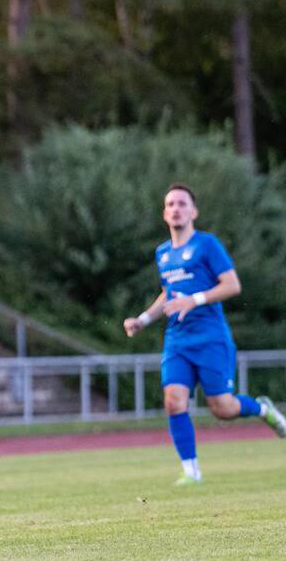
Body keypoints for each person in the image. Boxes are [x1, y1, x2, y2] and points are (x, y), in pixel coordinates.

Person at [123, 183, 286, 485]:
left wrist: (194, 299)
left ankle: (263, 409)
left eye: (182, 203)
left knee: (223, 408)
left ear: (194, 211)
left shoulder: (207, 245)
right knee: (174, 401)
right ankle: (191, 472)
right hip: (178, 340)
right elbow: (167, 295)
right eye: (170, 203)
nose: (176, 208)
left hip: (211, 337)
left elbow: (232, 285)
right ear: (164, 213)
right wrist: (143, 319)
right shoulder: (162, 254)